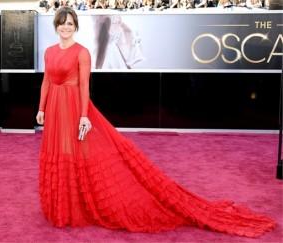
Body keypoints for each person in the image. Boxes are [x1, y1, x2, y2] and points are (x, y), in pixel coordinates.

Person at [36, 6, 275, 237]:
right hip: (55, 108)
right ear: (56, 25)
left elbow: (85, 87)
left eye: (70, 24)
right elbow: (47, 80)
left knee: (82, 152)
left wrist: (84, 116)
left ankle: (75, 204)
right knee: (61, 152)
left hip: (74, 107)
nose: (65, 27)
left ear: (75, 26)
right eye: (62, 23)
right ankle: (62, 204)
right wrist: (41, 108)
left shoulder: (82, 52)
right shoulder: (49, 52)